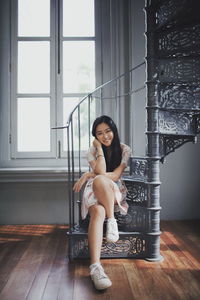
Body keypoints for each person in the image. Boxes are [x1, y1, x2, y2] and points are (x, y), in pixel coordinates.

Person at [73, 115, 131, 290]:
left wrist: (88, 174)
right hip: (94, 191)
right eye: (100, 134)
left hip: (113, 190)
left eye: (108, 131)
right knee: (97, 212)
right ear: (95, 136)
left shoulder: (124, 149)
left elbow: (115, 176)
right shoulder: (91, 151)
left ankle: (111, 219)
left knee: (99, 180)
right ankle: (95, 266)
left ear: (114, 131)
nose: (105, 136)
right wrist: (98, 149)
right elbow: (102, 169)